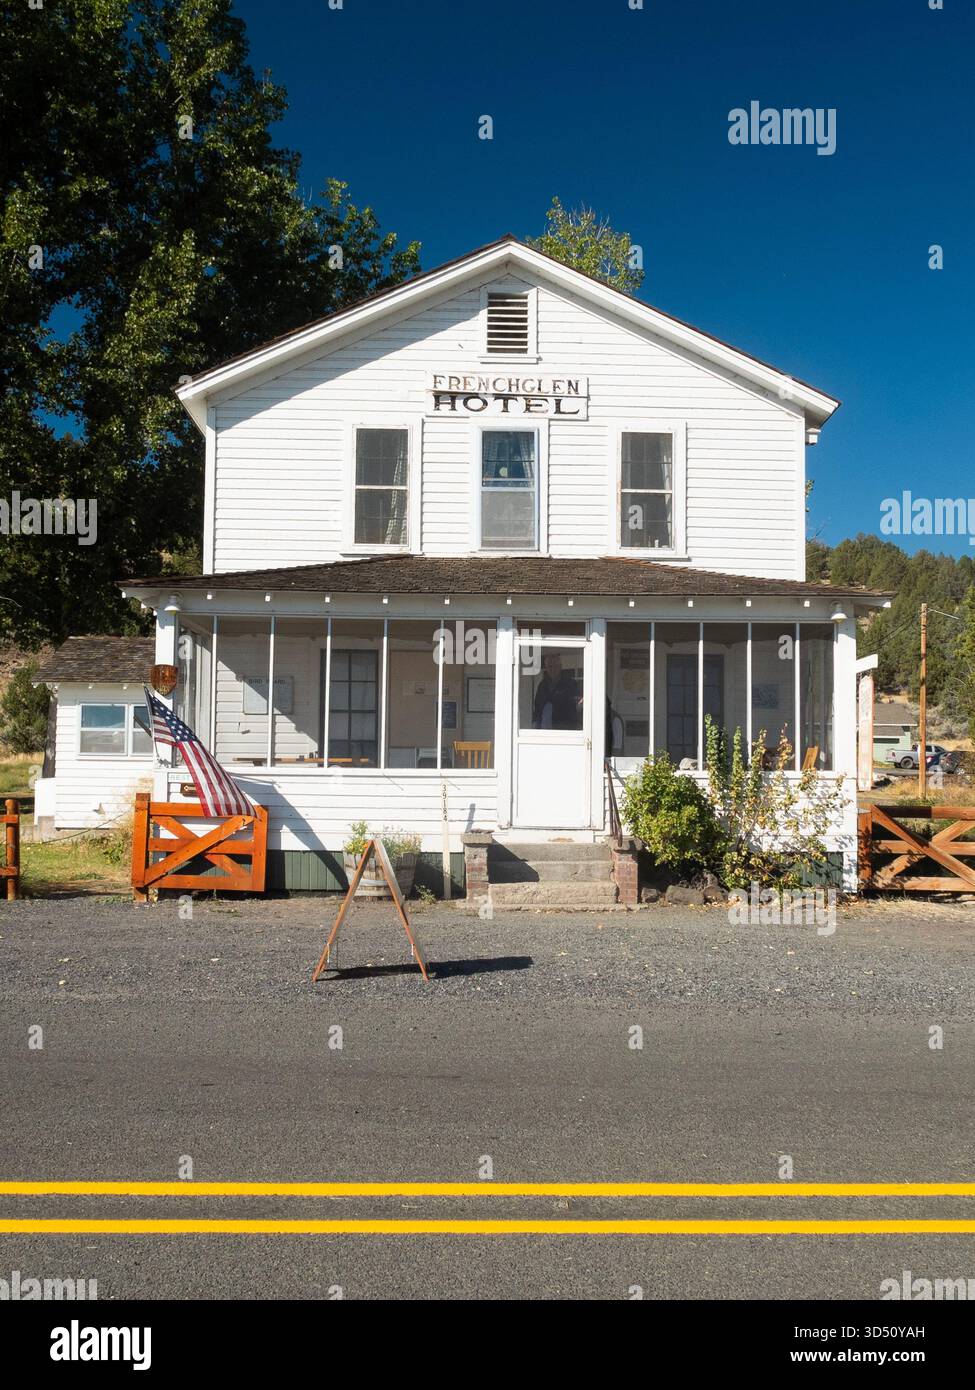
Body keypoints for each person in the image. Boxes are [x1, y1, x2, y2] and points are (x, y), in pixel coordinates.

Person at [533, 652, 583, 730]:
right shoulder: (542, 685)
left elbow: (577, 706)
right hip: (546, 731)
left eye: (555, 666)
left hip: (566, 728)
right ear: (546, 668)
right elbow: (538, 709)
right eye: (550, 666)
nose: (553, 669)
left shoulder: (570, 684)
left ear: (560, 667)